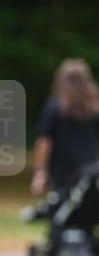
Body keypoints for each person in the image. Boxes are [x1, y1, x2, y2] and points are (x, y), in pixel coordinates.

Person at [31, 58, 99, 196]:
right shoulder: (94, 109)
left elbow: (44, 141)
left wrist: (40, 171)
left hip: (62, 173)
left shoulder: (54, 107)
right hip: (89, 171)